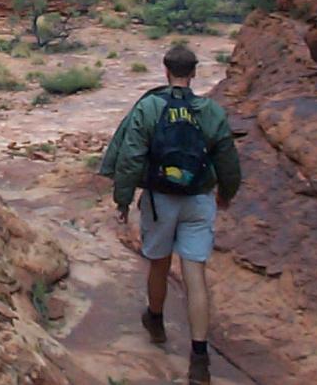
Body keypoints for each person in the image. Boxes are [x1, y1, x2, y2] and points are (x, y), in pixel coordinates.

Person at [98, 45, 241, 385]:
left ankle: (156, 321)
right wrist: (226, 194)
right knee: (195, 275)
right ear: (193, 73)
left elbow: (131, 158)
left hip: (161, 201)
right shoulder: (210, 111)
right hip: (198, 200)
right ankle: (200, 357)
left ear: (166, 71)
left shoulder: (149, 107)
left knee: (159, 264)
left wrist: (122, 199)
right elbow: (229, 162)